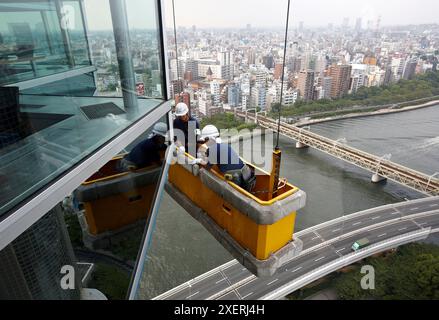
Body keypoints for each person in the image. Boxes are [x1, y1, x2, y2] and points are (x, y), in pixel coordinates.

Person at [198, 125, 256, 192]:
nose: (205, 142)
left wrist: (199, 160)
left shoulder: (213, 149)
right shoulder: (224, 145)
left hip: (236, 178)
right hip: (246, 173)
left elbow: (207, 167)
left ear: (209, 139)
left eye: (205, 140)